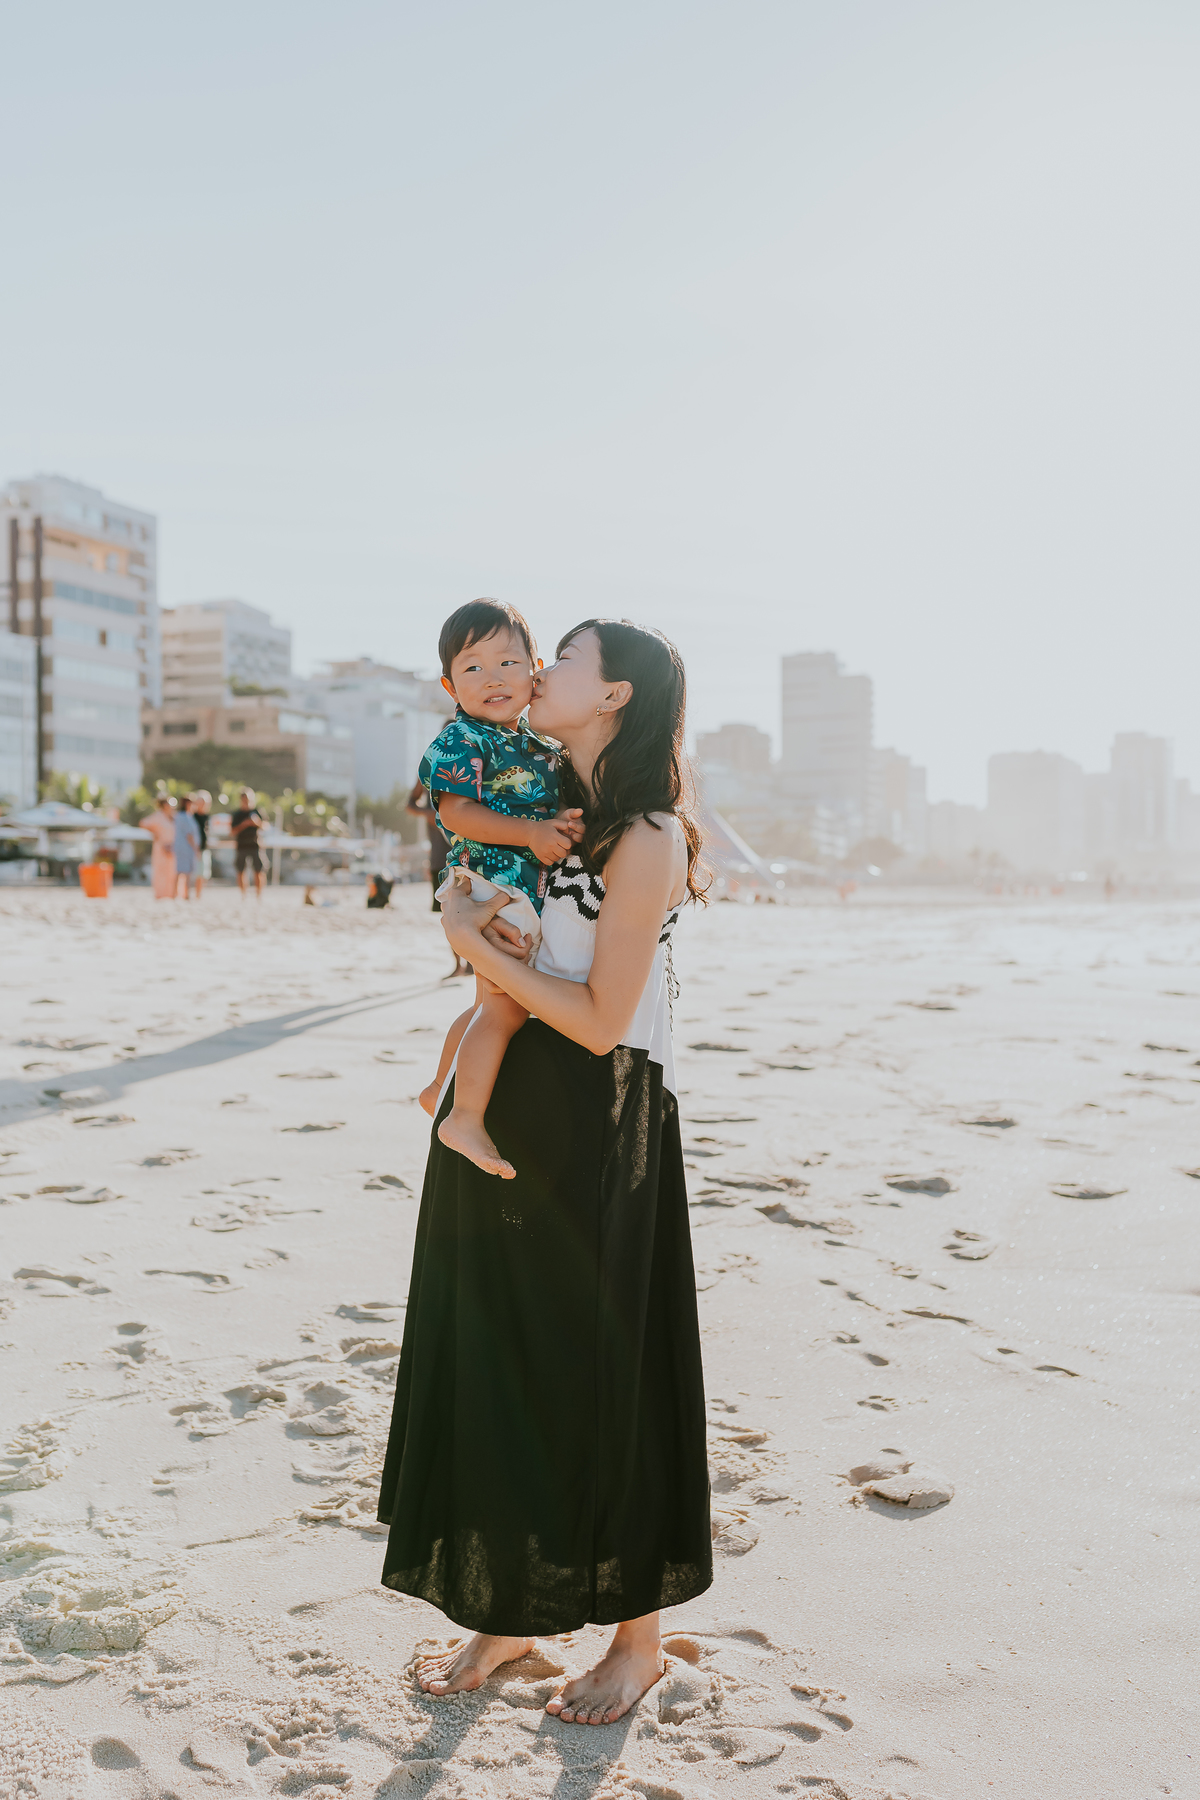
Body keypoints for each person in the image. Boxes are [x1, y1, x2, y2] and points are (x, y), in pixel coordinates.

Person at [379, 618, 712, 1727]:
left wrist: (471, 944)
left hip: (599, 1118)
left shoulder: (648, 835)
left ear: (614, 694)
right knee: (499, 1367)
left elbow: (604, 1018)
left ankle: (637, 1642)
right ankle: (508, 1611)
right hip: (511, 1112)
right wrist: (475, 934)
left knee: (611, 1372)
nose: (538, 673)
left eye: (563, 658)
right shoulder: (537, 808)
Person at [413, 599, 583, 1176]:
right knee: (507, 1009)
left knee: (490, 1002)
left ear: (536, 671)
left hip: (520, 886)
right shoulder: (463, 739)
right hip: (490, 883)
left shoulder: (541, 745)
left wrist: (560, 824)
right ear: (449, 686)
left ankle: (440, 1087)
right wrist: (531, 833)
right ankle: (464, 1116)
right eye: (473, 667)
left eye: (508, 663)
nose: (493, 678)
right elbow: (456, 813)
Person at [406, 780, 470, 978]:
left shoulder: (466, 768)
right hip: (439, 857)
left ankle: (471, 963)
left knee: (470, 909)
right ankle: (458, 964)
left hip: (466, 854)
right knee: (448, 913)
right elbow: (409, 804)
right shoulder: (427, 772)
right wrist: (429, 814)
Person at [141, 793, 178, 899]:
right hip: (161, 846)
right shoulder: (158, 816)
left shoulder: (174, 817)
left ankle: (171, 893)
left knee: (172, 870)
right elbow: (143, 823)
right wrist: (155, 833)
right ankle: (160, 893)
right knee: (160, 870)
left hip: (173, 847)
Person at [229, 788, 265, 896]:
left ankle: (259, 895)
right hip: (241, 845)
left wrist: (256, 822)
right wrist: (244, 824)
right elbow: (232, 831)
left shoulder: (257, 811)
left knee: (259, 870)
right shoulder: (237, 814)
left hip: (255, 845)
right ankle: (243, 895)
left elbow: (265, 826)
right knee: (241, 871)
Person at [173, 795, 201, 899]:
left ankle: (178, 893)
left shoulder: (183, 816)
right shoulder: (184, 817)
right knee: (185, 872)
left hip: (182, 847)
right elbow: (189, 835)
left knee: (181, 871)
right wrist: (196, 848)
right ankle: (184, 894)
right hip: (186, 847)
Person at [189, 791, 212, 895]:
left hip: (204, 848)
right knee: (194, 873)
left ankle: (199, 894)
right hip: (193, 848)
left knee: (203, 873)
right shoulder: (192, 816)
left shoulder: (207, 817)